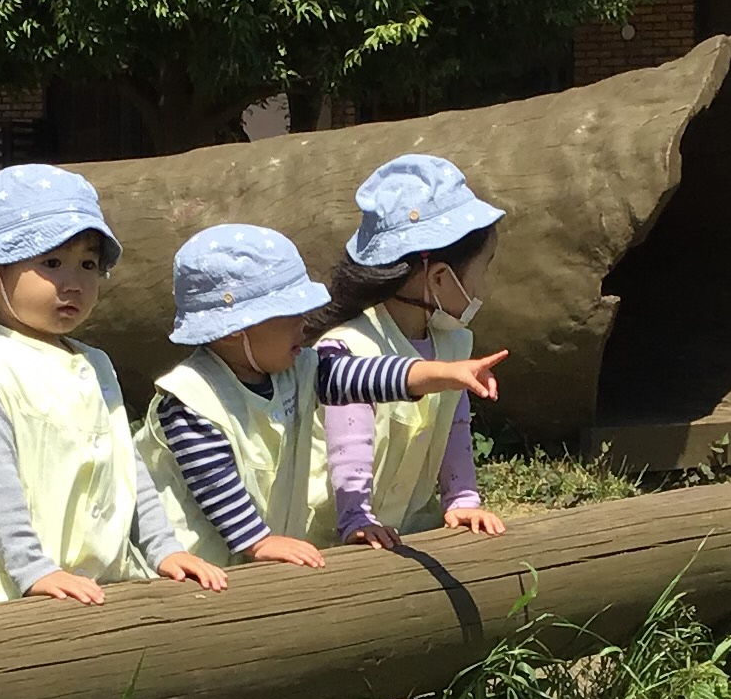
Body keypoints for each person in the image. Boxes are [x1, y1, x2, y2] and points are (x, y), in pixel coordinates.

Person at [0, 164, 227, 613]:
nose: (73, 282)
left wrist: (162, 548)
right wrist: (34, 569)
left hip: (90, 589)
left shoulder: (95, 365)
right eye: (51, 263)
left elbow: (127, 468)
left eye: (89, 264)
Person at [135, 223, 504, 570]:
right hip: (191, 564)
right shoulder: (190, 396)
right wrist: (257, 541)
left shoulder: (297, 370)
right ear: (235, 330)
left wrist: (444, 373)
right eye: (290, 316)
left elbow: (364, 375)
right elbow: (212, 480)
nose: (305, 325)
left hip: (260, 557)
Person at [313, 154, 509, 548]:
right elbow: (349, 444)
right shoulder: (348, 348)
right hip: (329, 539)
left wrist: (462, 498)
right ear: (439, 277)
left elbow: (454, 428)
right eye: (480, 272)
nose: (483, 288)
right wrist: (355, 518)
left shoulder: (454, 344)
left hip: (411, 531)